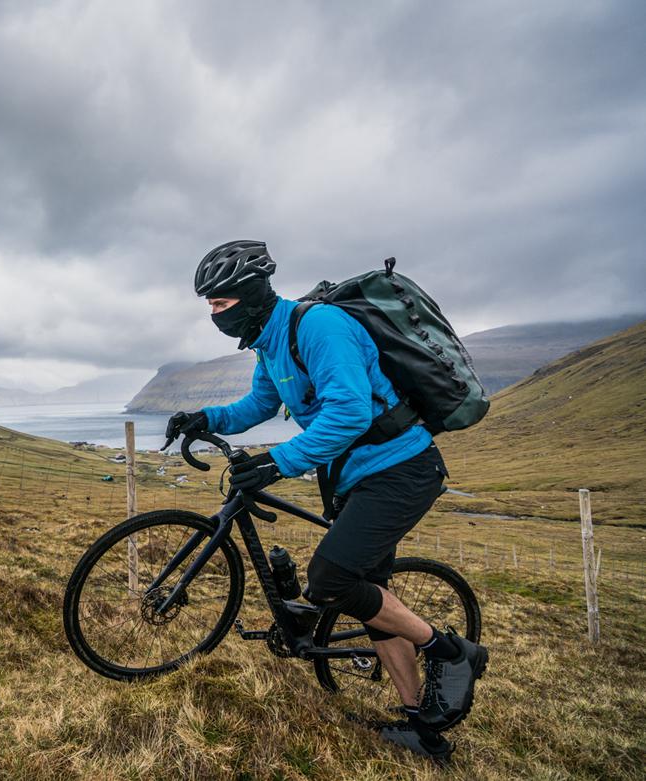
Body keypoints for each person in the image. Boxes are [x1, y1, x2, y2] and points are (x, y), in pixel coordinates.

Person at [165, 240, 488, 762]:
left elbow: (351, 412)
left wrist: (276, 463)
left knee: (332, 581)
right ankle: (426, 731)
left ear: (248, 294)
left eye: (219, 304)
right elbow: (259, 405)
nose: (213, 315)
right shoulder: (270, 341)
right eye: (208, 306)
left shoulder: (318, 327)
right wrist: (205, 418)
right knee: (369, 596)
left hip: (400, 469)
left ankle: (451, 652)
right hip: (352, 477)